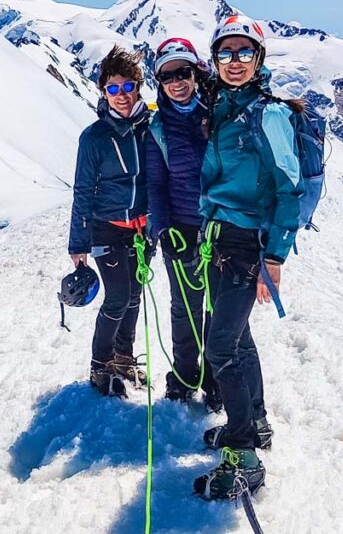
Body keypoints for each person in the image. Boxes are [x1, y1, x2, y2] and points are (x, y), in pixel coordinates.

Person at [192, 14, 304, 500]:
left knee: (220, 347)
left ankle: (245, 459)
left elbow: (290, 188)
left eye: (243, 53)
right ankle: (253, 422)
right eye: (226, 53)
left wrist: (274, 257)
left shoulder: (268, 114)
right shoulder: (222, 107)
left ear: (258, 59)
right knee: (236, 340)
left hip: (247, 246)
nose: (234, 62)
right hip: (219, 239)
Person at [68, 45, 152, 397]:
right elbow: (83, 190)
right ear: (103, 91)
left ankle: (123, 358)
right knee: (118, 296)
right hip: (107, 228)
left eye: (127, 86)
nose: (121, 95)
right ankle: (100, 365)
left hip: (144, 230)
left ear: (138, 87)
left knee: (134, 295)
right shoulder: (94, 138)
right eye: (112, 88)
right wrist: (78, 243)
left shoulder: (150, 128)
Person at [143, 37, 222, 411]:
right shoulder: (158, 127)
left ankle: (216, 379)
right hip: (181, 230)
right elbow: (155, 184)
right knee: (185, 308)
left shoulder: (219, 113)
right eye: (168, 76)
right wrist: (162, 229)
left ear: (196, 73)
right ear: (159, 82)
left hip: (220, 227)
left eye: (183, 72)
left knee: (218, 310)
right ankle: (185, 376)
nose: (176, 82)